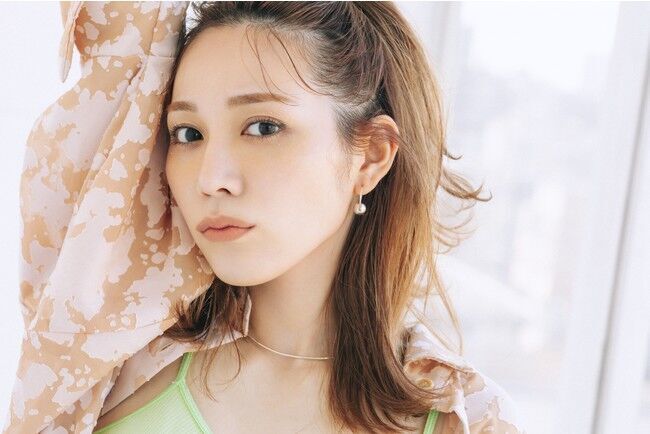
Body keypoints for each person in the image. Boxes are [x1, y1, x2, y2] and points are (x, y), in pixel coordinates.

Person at [4, 2, 525, 434]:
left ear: (370, 156)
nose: (212, 178)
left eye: (262, 127)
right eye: (188, 134)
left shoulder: (467, 420)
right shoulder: (110, 364)